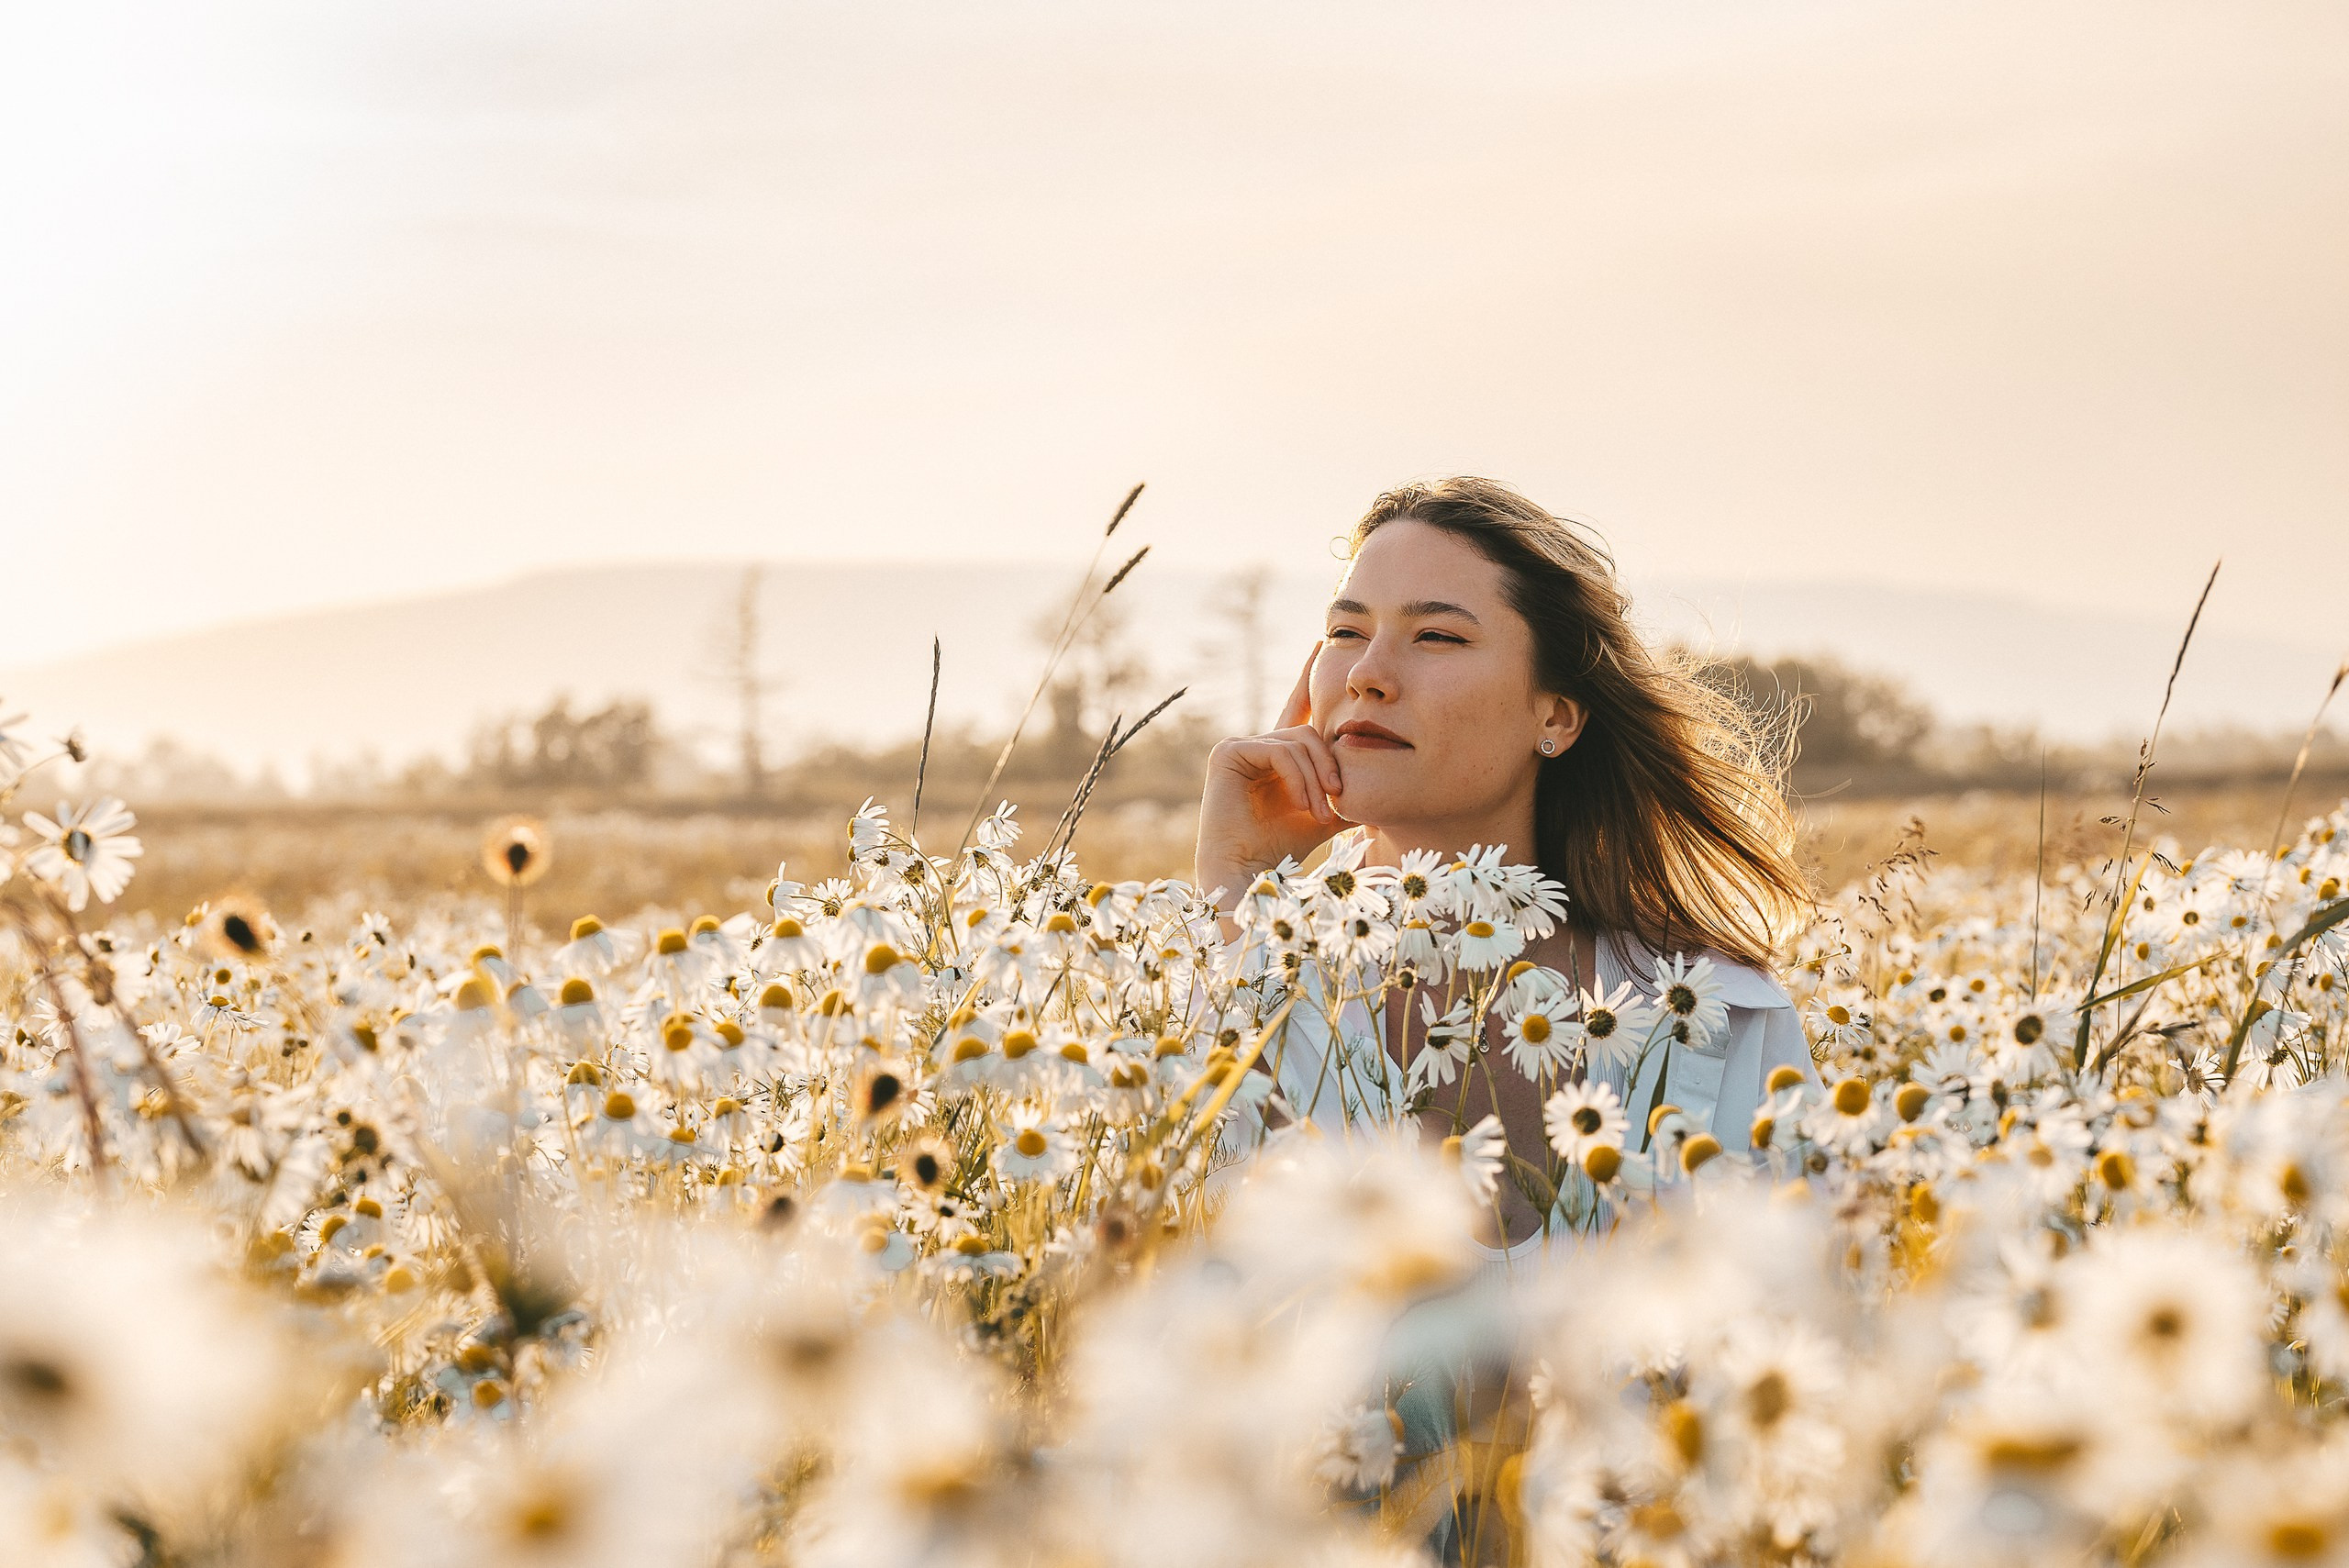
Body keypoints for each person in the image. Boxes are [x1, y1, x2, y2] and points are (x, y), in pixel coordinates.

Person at [1194, 476, 1821, 1560]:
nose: (1369, 674)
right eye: (1345, 631)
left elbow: (1808, 1380)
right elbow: (1164, 1322)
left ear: (1557, 712)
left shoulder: (1719, 1021)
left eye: (1436, 637)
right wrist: (1229, 889)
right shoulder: (1265, 996)